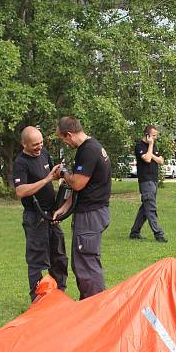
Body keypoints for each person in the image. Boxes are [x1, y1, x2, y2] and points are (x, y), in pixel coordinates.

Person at [53, 116, 112, 300]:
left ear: (69, 134)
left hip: (90, 216)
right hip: (90, 213)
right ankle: (88, 304)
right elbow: (84, 188)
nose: (64, 143)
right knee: (81, 263)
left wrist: (63, 173)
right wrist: (65, 207)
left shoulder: (89, 150)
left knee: (87, 264)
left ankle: (95, 307)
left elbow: (77, 183)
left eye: (63, 139)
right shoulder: (88, 147)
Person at [13, 126, 69, 301]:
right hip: (35, 217)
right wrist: (46, 180)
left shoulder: (44, 153)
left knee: (59, 256)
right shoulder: (20, 163)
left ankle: (59, 295)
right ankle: (37, 300)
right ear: (24, 143)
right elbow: (20, 191)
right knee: (37, 260)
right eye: (34, 145)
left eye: (41, 143)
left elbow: (55, 174)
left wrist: (64, 174)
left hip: (52, 214)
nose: (39, 147)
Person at [129, 125, 167, 243]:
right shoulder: (139, 146)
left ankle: (134, 232)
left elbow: (161, 160)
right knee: (150, 208)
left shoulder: (154, 145)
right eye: (154, 135)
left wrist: (151, 152)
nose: (156, 138)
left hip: (154, 180)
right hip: (146, 181)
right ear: (147, 135)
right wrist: (150, 146)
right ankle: (158, 234)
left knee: (145, 209)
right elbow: (146, 159)